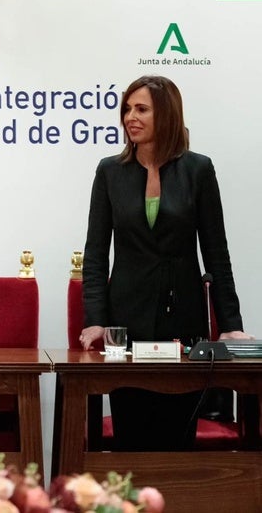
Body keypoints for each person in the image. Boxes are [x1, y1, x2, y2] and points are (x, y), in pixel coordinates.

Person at [79, 75, 251, 451]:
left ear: (167, 115)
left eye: (141, 109)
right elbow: (94, 255)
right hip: (126, 325)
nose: (130, 117)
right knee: (132, 439)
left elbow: (216, 255)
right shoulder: (110, 171)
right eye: (127, 109)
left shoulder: (198, 170)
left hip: (183, 322)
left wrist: (232, 326)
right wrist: (95, 319)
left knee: (177, 441)